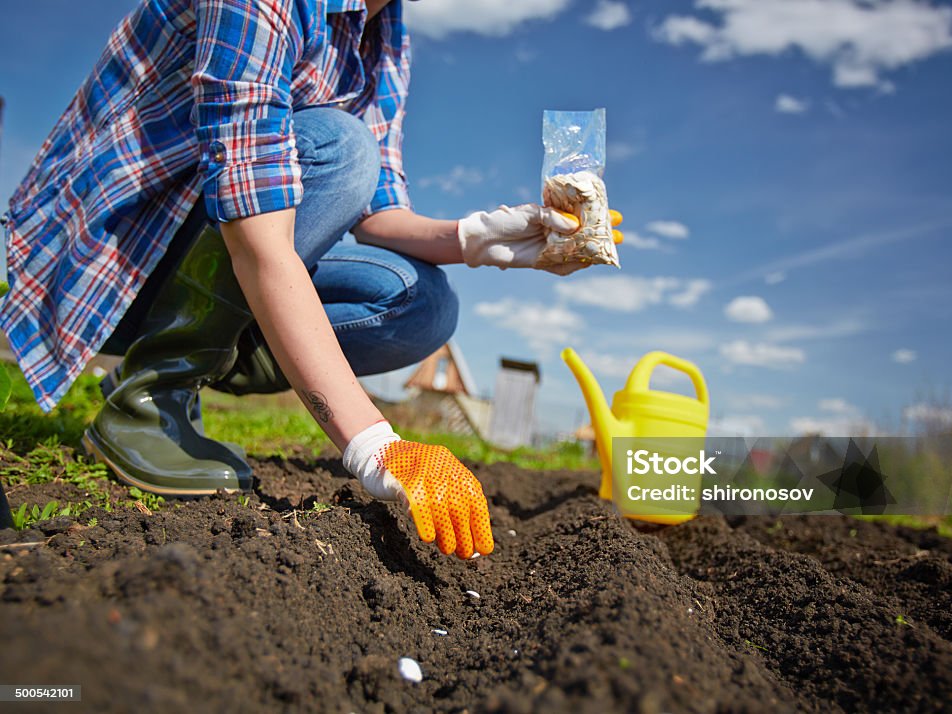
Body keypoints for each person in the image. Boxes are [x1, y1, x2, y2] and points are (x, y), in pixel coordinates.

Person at [0, 0, 621, 559]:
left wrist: (479, 240)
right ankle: (149, 399)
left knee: (424, 304)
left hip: (222, 252)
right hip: (111, 263)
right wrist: (375, 444)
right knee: (341, 147)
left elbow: (375, 213)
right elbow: (261, 236)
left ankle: (214, 355)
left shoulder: (381, 32)